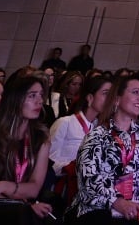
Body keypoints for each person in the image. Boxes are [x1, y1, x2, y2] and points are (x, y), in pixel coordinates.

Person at [72, 75, 139, 223]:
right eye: (135, 92)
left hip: (138, 206)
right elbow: (89, 182)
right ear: (117, 99)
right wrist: (117, 202)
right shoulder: (97, 136)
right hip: (101, 208)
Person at [0, 73, 55, 218]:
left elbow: (34, 188)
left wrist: (3, 185)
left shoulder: (41, 139)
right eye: (32, 95)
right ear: (15, 99)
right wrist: (23, 204)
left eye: (41, 95)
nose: (40, 101)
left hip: (25, 211)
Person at [50, 73, 112, 203]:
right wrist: (76, 167)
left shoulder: (101, 130)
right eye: (105, 93)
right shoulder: (65, 123)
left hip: (89, 194)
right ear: (90, 98)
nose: (109, 99)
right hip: (62, 192)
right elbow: (49, 164)